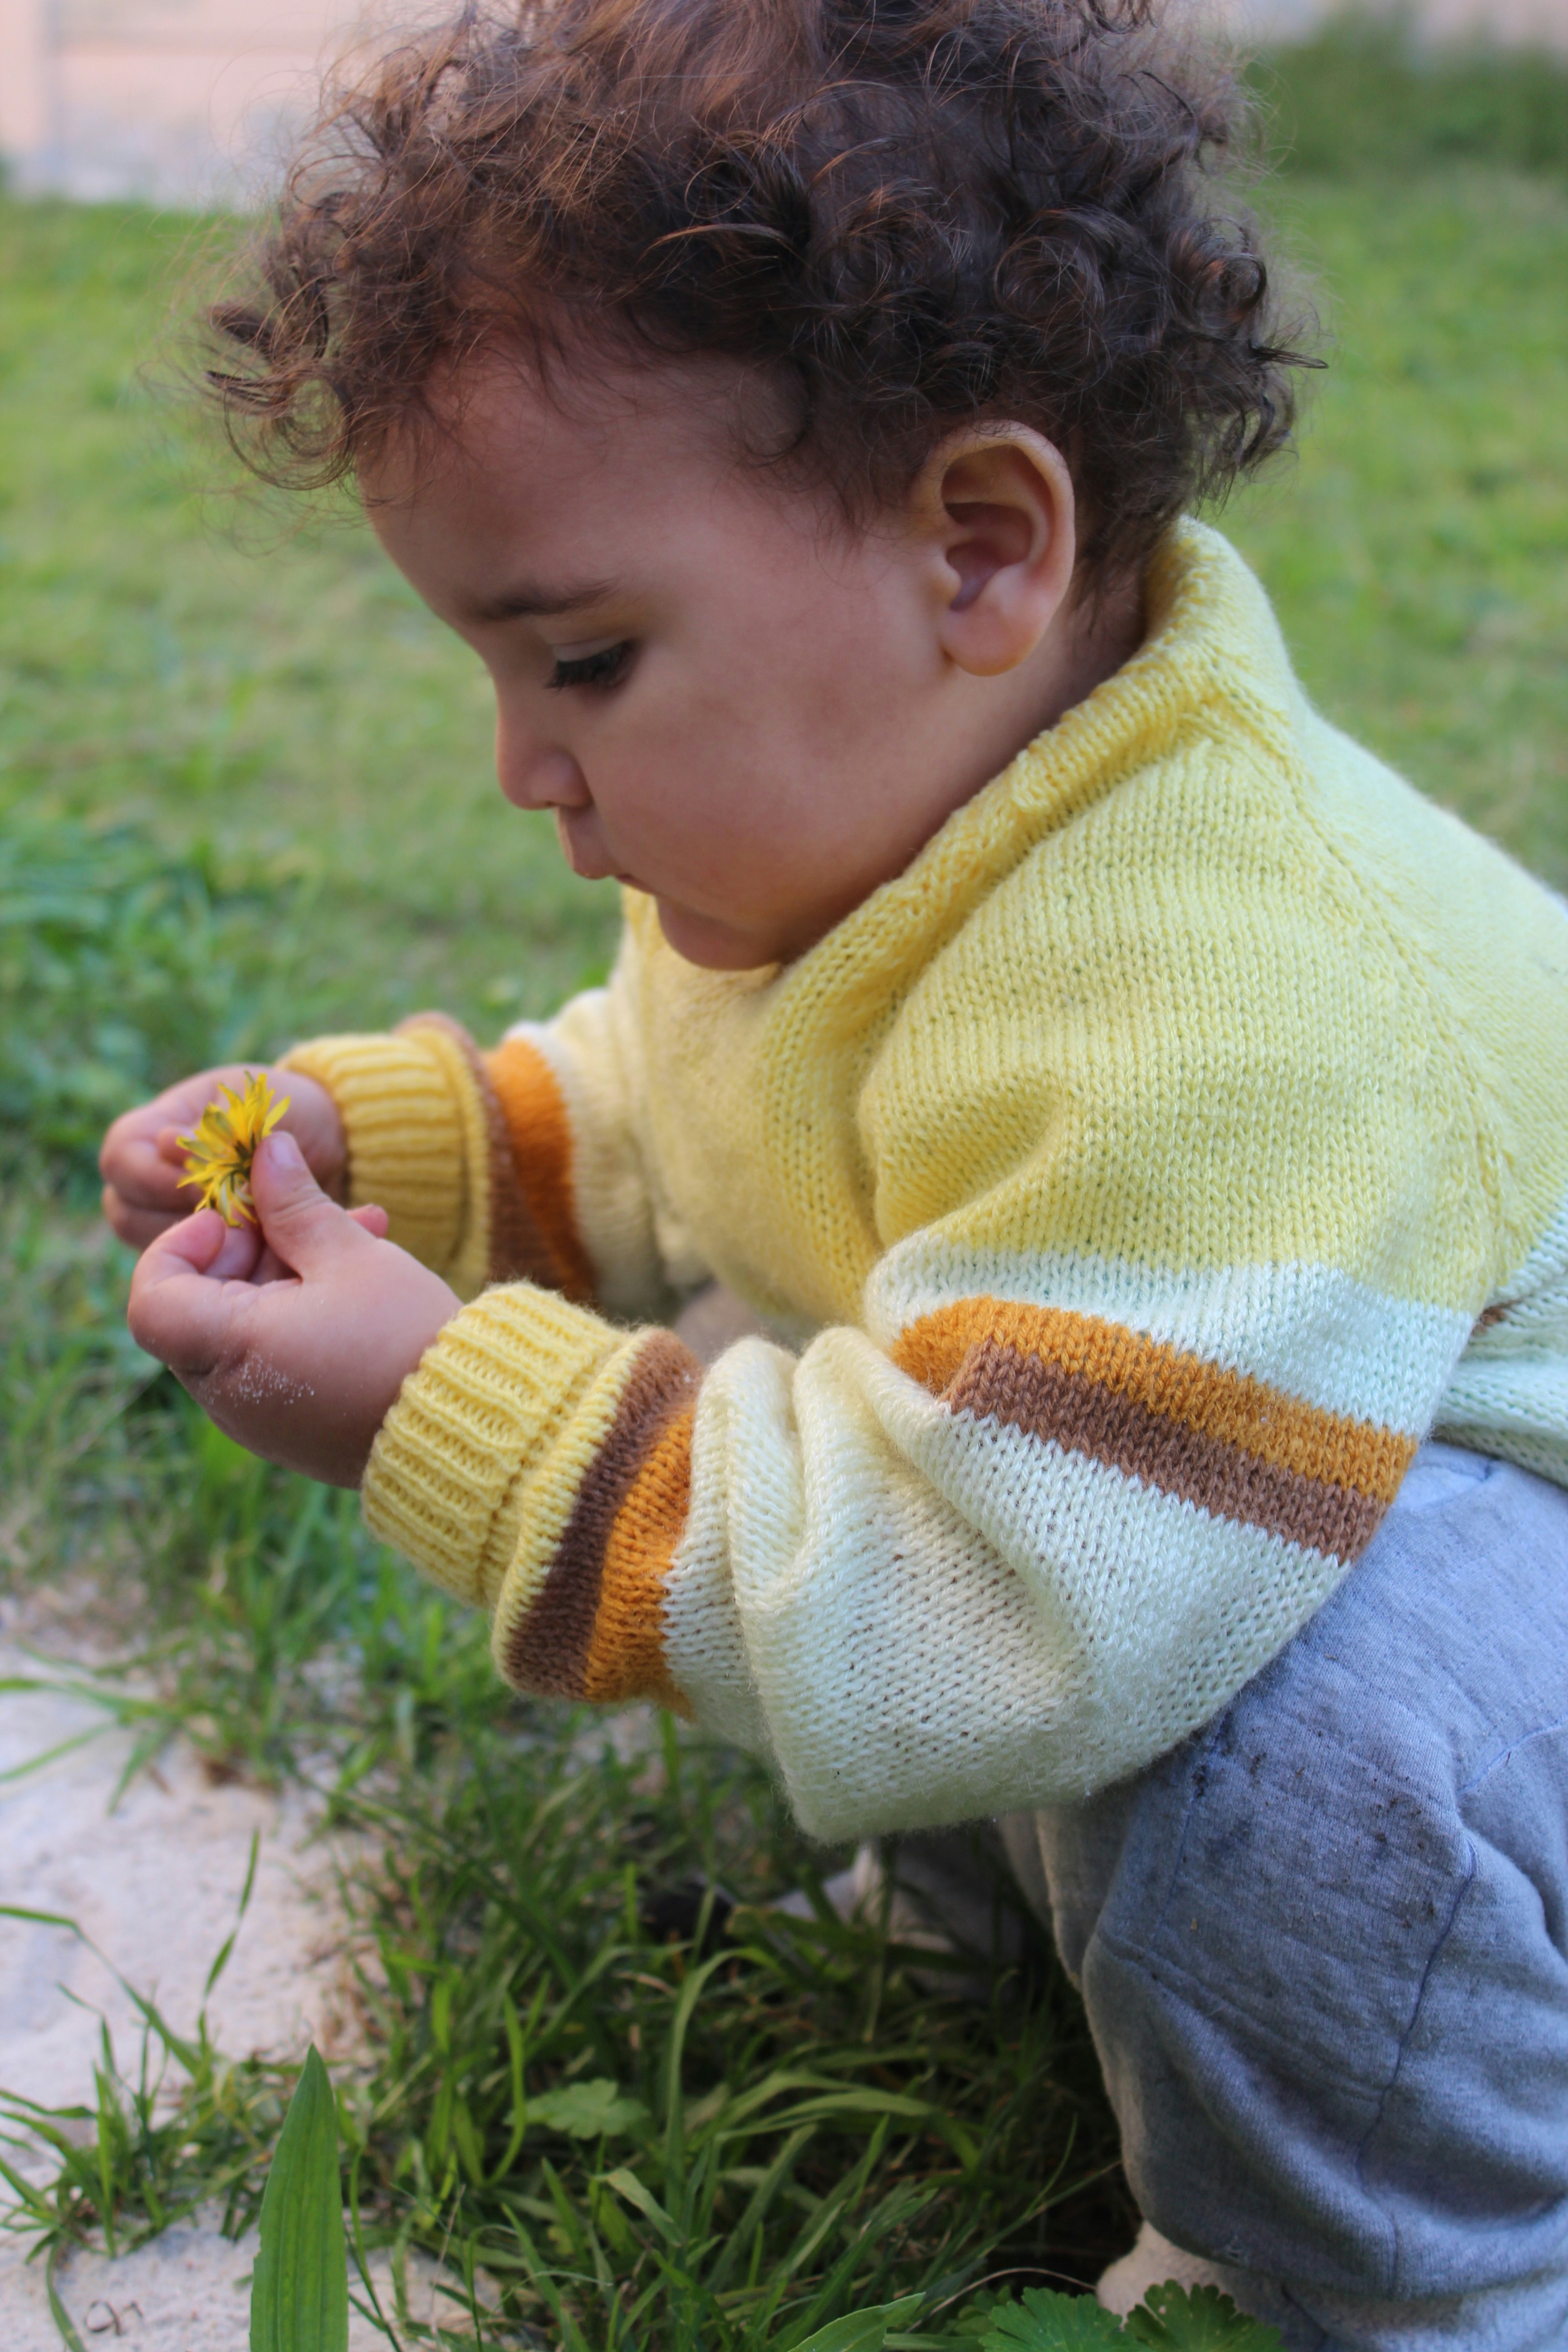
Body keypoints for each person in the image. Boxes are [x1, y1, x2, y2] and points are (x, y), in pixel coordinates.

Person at [99, 2, 1568, 2341]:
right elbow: (700, 1125)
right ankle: (1009, 1944)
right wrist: (398, 1157)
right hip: (1182, 1518)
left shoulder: (1228, 992)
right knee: (797, 1325)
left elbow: (1025, 1583)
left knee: (1293, 1742)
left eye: (583, 659)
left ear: (978, 549)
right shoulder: (895, 832)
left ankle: (1389, 2264)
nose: (519, 768)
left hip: (1480, 1619)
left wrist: (438, 1413)